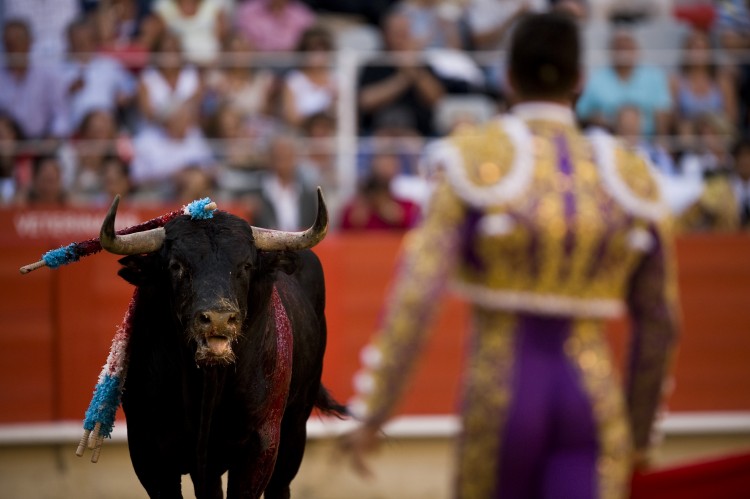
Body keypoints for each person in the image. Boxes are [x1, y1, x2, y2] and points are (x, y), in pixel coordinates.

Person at [339, 12, 680, 499]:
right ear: (580, 79)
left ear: (507, 76)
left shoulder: (471, 158)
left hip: (503, 390)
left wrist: (375, 414)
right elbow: (660, 321)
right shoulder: (627, 173)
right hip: (591, 397)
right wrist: (641, 435)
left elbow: (417, 297)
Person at [576, 28, 672, 137]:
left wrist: (661, 142)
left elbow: (663, 111)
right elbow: (582, 112)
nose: (623, 52)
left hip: (647, 141)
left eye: (627, 47)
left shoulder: (654, 76)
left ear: (636, 49)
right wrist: (599, 120)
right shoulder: (596, 78)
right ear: (610, 51)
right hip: (608, 141)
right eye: (619, 47)